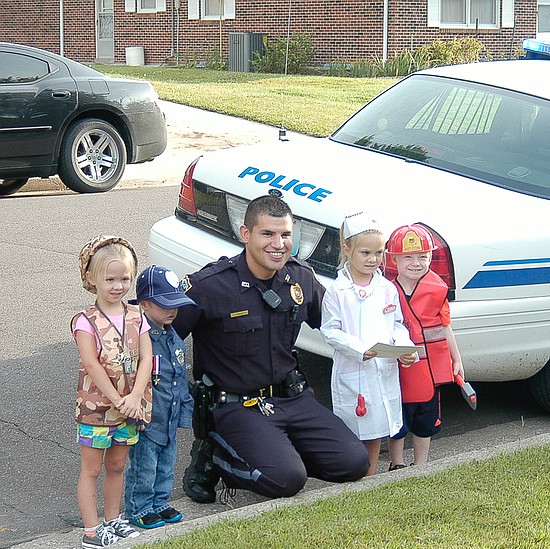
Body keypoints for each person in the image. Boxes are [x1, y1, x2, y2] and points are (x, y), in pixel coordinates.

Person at [174, 194, 370, 503]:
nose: (278, 243)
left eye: (285, 234)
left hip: (292, 398)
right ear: (246, 234)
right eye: (267, 233)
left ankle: (276, 450)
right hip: (237, 405)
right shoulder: (211, 286)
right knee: (286, 479)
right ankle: (215, 456)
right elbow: (163, 336)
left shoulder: (300, 278)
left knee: (354, 462)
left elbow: (338, 323)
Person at [320, 212, 418, 476]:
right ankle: (355, 474)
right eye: (365, 253)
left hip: (383, 368)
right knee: (354, 426)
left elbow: (396, 324)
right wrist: (361, 350)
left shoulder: (387, 288)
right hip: (354, 370)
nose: (373, 260)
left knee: (376, 427)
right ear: (347, 249)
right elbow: (330, 331)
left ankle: (370, 476)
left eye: (378, 253)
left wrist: (404, 348)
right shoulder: (336, 292)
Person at [71, 236, 153, 549]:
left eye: (125, 279)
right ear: (91, 278)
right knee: (91, 469)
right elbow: (91, 364)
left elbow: (147, 358)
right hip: (97, 409)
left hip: (130, 408)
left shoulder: (138, 315)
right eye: (110, 279)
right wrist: (118, 399)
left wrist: (133, 399)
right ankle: (92, 529)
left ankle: (114, 520)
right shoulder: (85, 321)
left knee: (118, 465)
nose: (118, 286)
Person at [385, 224, 464, 471]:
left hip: (428, 371)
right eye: (408, 257)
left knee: (425, 420)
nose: (416, 263)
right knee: (397, 420)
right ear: (394, 259)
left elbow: (445, 327)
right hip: (396, 369)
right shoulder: (385, 290)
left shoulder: (437, 290)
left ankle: (421, 466)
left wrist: (456, 359)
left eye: (422, 257)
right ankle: (396, 464)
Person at [124, 265, 196, 529]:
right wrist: (136, 412)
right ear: (143, 305)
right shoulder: (139, 339)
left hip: (170, 415)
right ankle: (139, 508)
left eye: (176, 303)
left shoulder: (172, 335)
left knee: (166, 464)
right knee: (145, 466)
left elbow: (178, 374)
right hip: (148, 418)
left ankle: (159, 502)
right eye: (165, 304)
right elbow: (133, 379)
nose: (172, 310)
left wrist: (185, 410)